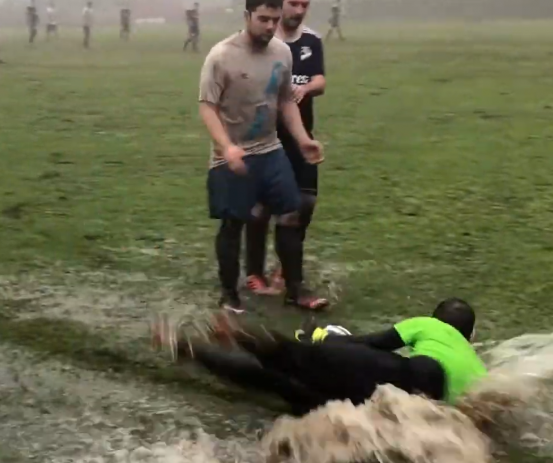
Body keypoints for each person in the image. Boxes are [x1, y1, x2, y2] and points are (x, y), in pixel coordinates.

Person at [199, 0, 325, 313]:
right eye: (263, 19)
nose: (270, 27)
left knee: (291, 213)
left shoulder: (282, 52)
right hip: (232, 154)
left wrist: (302, 139)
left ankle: (295, 289)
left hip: (270, 150)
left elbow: (284, 101)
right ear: (247, 17)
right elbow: (207, 106)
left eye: (274, 20)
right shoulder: (221, 55)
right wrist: (226, 146)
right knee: (233, 223)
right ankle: (229, 294)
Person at [152, 298, 487, 414]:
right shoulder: (478, 372)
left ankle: (225, 339)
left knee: (294, 358)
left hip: (395, 378)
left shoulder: (430, 326)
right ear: (471, 337)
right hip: (384, 409)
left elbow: (371, 343)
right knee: (275, 385)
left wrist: (319, 335)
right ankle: (194, 352)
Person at [244, 0, 326, 305]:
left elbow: (320, 78)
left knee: (303, 203)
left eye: (305, 4)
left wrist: (305, 89)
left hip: (300, 137)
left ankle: (286, 273)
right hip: (264, 140)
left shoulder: (311, 41)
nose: (300, 10)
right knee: (260, 210)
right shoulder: (263, 43)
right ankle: (256, 273)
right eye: (294, 3)